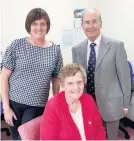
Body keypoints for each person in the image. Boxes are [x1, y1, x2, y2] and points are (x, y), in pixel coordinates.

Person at [1, 8, 63, 140]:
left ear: (47, 26)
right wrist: (6, 107)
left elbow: (56, 78)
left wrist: (56, 102)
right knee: (16, 136)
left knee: (27, 138)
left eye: (43, 23)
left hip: (37, 105)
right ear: (28, 25)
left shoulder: (55, 51)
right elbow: (4, 76)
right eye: (34, 23)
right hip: (14, 103)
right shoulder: (16, 45)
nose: (39, 27)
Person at [72, 8, 131, 140]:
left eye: (94, 21)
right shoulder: (77, 49)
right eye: (87, 22)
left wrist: (125, 104)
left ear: (101, 23)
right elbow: (77, 79)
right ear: (82, 26)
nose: (91, 26)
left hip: (111, 105)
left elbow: (125, 78)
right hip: (87, 104)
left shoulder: (116, 46)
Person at [40, 63, 106, 140]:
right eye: (70, 83)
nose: (76, 87)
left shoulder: (89, 100)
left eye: (79, 82)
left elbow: (99, 130)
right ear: (62, 84)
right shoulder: (53, 106)